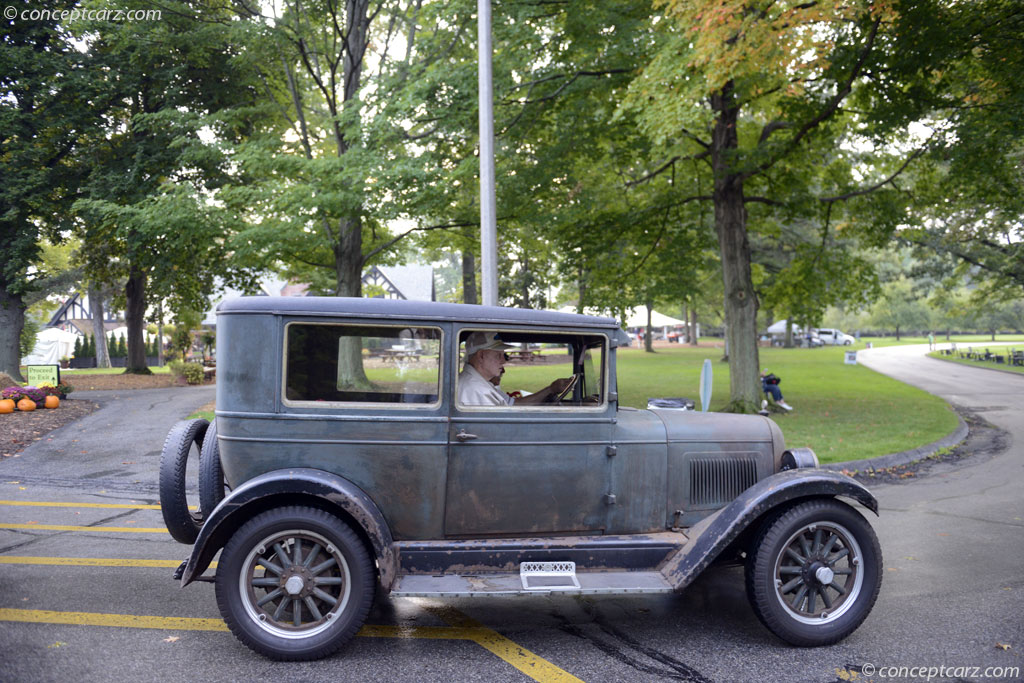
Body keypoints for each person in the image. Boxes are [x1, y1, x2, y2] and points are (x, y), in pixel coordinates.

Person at [458, 331, 574, 406]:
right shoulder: (477, 391)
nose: (503, 361)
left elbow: (513, 404)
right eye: (498, 355)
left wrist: (550, 389)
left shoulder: (480, 384)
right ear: (481, 355)